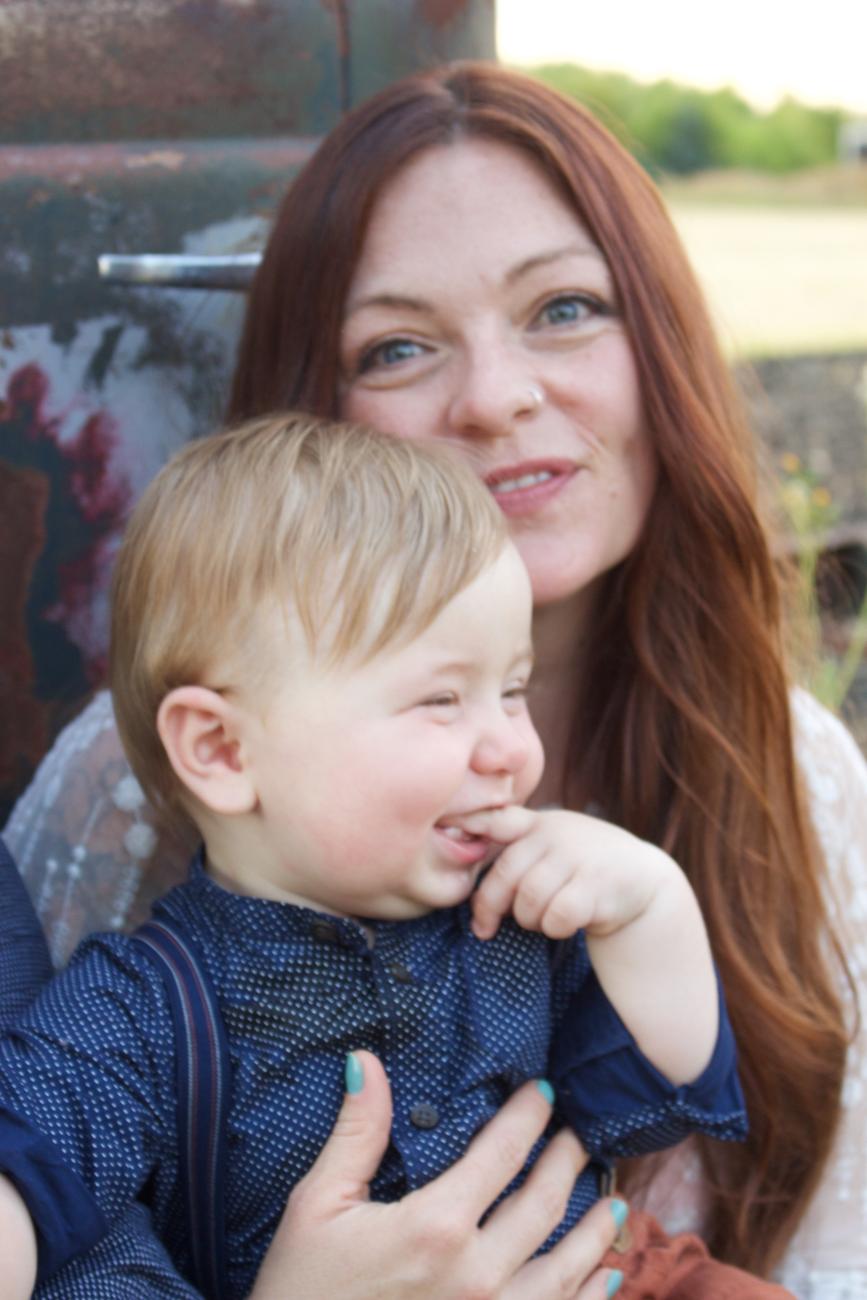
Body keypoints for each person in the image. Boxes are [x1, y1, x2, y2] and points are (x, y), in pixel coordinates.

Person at [4, 60, 865, 1296]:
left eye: (564, 308)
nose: (499, 398)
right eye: (399, 344)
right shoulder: (121, 811)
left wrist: (658, 912)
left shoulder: (796, 776)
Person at [0, 412, 751, 1298]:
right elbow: (30, 1188)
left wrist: (652, 911)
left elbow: (654, 1095)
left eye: (510, 690)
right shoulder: (138, 1009)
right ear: (223, 752)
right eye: (440, 699)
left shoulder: (513, 910)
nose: (509, 748)